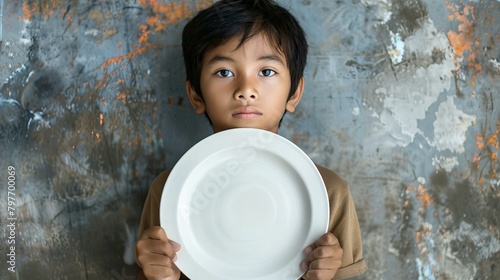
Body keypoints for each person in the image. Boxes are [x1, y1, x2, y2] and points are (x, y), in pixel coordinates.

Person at [135, 1, 368, 279]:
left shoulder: (328, 193)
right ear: (196, 95)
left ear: (293, 93)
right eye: (224, 72)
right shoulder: (171, 191)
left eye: (266, 72)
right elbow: (156, 268)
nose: (246, 90)